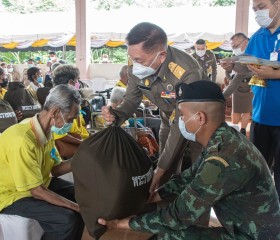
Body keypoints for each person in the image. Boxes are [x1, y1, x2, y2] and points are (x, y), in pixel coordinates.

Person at [98, 80, 280, 240]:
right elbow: (188, 178)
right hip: (245, 230)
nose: (181, 121)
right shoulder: (224, 139)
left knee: (172, 236)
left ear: (200, 118)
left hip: (252, 236)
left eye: (182, 115)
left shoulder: (223, 158)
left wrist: (123, 223)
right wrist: (150, 197)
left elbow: (179, 216)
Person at [101, 22, 205, 192]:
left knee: (199, 175)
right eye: (132, 58)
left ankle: (195, 216)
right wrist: (116, 114)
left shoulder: (187, 71)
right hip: (167, 119)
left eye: (139, 60)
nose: (134, 65)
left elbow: (182, 121)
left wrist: (161, 167)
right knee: (166, 176)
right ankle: (168, 213)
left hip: (199, 124)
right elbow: (131, 100)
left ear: (162, 56)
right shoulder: (136, 65)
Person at [0, 85, 85, 240]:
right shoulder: (22, 140)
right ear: (55, 112)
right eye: (71, 119)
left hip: (36, 184)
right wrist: (75, 207)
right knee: (66, 219)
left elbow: (55, 170)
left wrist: (81, 159)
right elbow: (36, 191)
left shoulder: (46, 131)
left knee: (81, 195)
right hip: (10, 194)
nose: (71, 123)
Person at [243, 0, 280, 199]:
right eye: (255, 9)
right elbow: (249, 63)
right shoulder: (257, 37)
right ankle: (258, 217)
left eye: (262, 6)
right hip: (260, 115)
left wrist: (276, 73)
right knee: (258, 171)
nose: (258, 12)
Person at [221, 33, 253, 136]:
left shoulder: (255, 53)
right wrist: (228, 69)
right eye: (232, 46)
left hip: (250, 85)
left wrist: (246, 75)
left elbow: (259, 71)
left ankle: (243, 130)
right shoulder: (234, 56)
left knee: (247, 110)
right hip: (237, 86)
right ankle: (234, 130)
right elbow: (229, 73)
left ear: (245, 42)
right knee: (236, 110)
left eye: (235, 46)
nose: (234, 49)